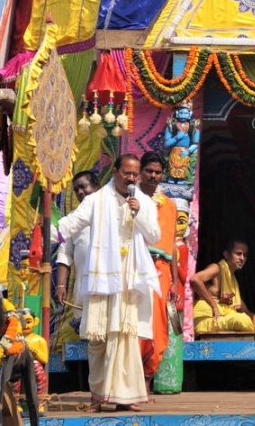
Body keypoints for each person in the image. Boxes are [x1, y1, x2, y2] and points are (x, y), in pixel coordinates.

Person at [56, 154, 160, 412]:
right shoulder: (96, 200)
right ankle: (98, 397)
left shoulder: (144, 202)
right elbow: (72, 223)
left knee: (125, 337)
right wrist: (47, 232)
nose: (132, 178)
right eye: (127, 173)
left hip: (128, 280)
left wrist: (139, 213)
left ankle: (125, 398)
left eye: (135, 174)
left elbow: (154, 235)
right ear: (115, 172)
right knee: (98, 338)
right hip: (102, 278)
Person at [137, 152, 181, 391]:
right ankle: (132, 382)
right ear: (140, 172)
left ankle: (146, 379)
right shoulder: (130, 200)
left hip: (161, 269)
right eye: (149, 171)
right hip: (135, 266)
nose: (153, 176)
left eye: (157, 172)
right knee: (135, 324)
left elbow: (172, 245)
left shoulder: (169, 205)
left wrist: (174, 281)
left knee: (159, 327)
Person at [191, 240, 255, 340]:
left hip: (224, 318)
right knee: (242, 320)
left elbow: (245, 310)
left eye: (245, 255)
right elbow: (195, 280)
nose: (242, 258)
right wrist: (213, 306)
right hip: (206, 319)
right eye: (238, 254)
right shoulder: (217, 268)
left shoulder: (232, 281)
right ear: (226, 255)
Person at [55, 170, 100, 320]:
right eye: (76, 190)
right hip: (83, 290)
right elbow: (64, 253)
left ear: (96, 186)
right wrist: (60, 285)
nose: (80, 192)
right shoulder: (73, 219)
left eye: (83, 186)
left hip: (108, 287)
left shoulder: (112, 211)